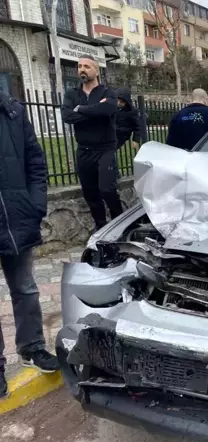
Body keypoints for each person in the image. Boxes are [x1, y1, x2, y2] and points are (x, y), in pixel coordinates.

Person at [0, 92, 60, 398]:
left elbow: (36, 162)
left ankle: (32, 347)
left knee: (25, 288)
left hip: (16, 218)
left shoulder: (13, 111)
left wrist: (34, 205)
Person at [62, 55, 123, 231]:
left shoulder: (108, 93)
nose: (82, 69)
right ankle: (101, 228)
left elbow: (108, 109)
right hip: (84, 151)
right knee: (90, 193)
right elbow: (67, 116)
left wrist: (80, 109)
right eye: (80, 66)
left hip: (105, 149)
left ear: (96, 70)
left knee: (107, 190)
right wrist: (94, 112)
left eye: (87, 66)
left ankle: (119, 225)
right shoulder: (72, 93)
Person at [115, 87, 141, 151]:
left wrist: (135, 140)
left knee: (110, 150)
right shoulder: (114, 107)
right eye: (118, 100)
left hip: (122, 135)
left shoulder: (132, 111)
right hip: (112, 133)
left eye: (121, 102)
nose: (119, 103)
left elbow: (137, 127)